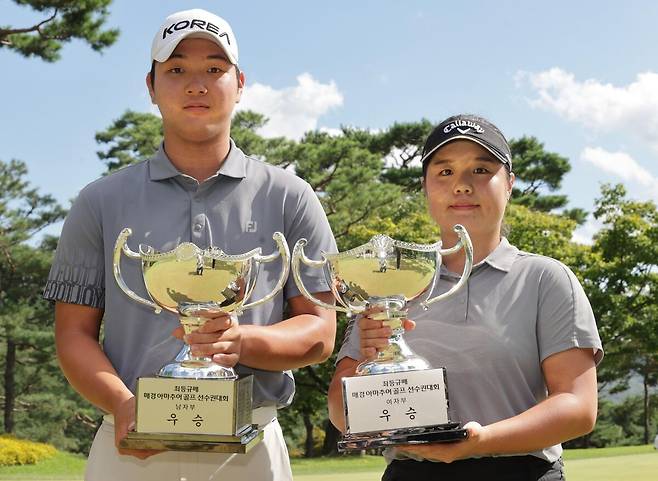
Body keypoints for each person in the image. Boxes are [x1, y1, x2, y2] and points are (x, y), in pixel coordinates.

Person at [44, 8, 337, 481]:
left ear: (239, 83)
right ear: (151, 86)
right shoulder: (99, 201)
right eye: (176, 69)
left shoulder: (290, 196)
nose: (196, 84)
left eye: (214, 69)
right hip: (130, 441)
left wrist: (240, 341)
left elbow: (319, 333)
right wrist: (121, 403)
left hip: (252, 441)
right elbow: (73, 334)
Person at [328, 114, 603, 480]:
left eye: (480, 170)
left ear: (509, 184)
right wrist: (367, 361)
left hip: (522, 472)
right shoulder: (388, 282)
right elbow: (339, 411)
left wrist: (482, 440)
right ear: (425, 187)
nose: (461, 186)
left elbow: (578, 407)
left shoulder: (546, 278)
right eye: (444, 172)